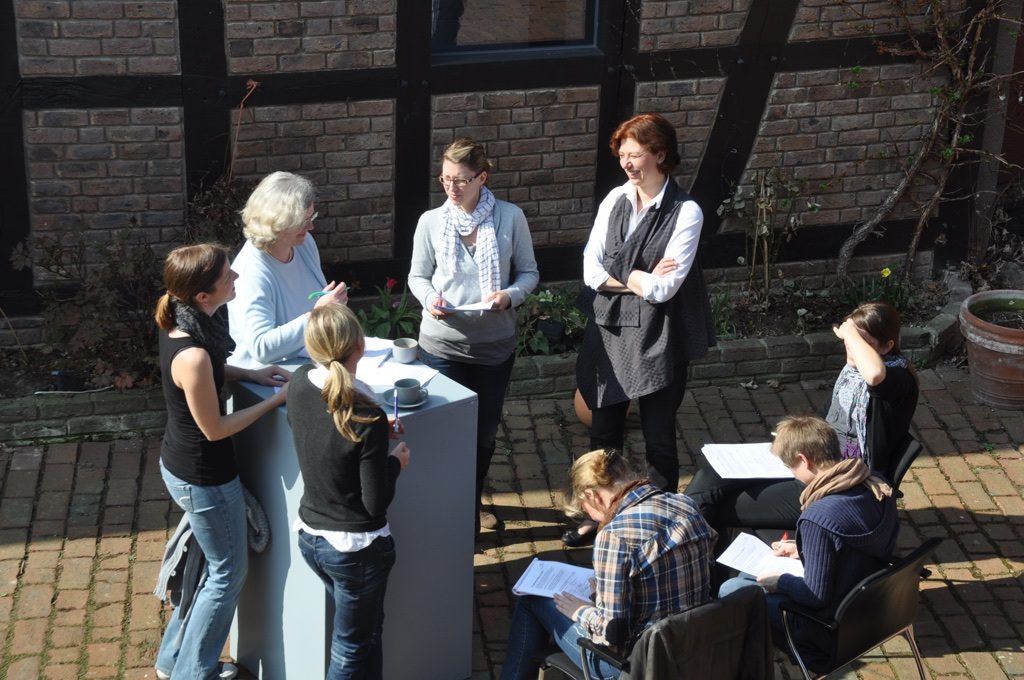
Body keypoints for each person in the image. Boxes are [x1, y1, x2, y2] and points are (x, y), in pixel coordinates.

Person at [568, 112, 716, 546]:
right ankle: (598, 517)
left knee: (659, 438)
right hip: (610, 329)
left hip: (658, 334)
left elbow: (665, 289)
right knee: (603, 434)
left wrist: (618, 272)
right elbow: (590, 272)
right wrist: (638, 276)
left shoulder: (686, 212)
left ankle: (660, 523)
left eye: (636, 155)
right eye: (622, 155)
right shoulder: (615, 198)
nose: (627, 164)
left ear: (660, 155)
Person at [153, 244, 290, 680]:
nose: (236, 279)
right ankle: (194, 673)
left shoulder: (184, 321)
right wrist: (276, 402)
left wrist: (250, 375)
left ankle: (171, 662)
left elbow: (212, 373)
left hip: (183, 466)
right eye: (228, 276)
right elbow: (214, 428)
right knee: (227, 574)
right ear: (203, 295)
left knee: (208, 569)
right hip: (203, 478)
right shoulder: (192, 353)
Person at [683, 301, 919, 538]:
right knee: (708, 478)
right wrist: (792, 437)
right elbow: (826, 418)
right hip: (811, 456)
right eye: (850, 339)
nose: (851, 346)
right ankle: (678, 537)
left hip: (837, 479)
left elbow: (876, 375)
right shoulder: (852, 375)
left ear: (888, 346)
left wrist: (850, 332)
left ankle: (690, 549)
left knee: (725, 505)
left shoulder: (898, 382)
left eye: (862, 341)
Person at [408, 137, 539, 534]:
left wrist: (510, 296)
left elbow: (529, 273)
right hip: (441, 345)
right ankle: (444, 507)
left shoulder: (510, 218)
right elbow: (417, 276)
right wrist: (430, 299)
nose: (452, 187)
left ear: (482, 177)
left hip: (493, 346)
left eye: (461, 180)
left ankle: (470, 500)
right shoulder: (431, 222)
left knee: (483, 433)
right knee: (444, 430)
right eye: (445, 178)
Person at [500, 449, 716, 680]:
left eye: (584, 508)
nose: (590, 516)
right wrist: (601, 593)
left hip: (637, 665)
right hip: (691, 647)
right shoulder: (685, 505)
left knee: (533, 601)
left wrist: (581, 611)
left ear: (592, 495)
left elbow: (612, 636)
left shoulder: (615, 537)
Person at [288, 303, 411, 680]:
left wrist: (377, 432)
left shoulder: (299, 382)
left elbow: (325, 433)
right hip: (355, 550)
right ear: (360, 346)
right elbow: (375, 503)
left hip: (311, 538)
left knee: (367, 631)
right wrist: (395, 462)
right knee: (350, 649)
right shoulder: (366, 416)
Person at [718, 415, 899, 669]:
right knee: (748, 576)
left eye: (791, 467)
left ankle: (750, 661)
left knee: (731, 588)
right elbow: (847, 543)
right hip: (871, 607)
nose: (791, 474)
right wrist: (803, 549)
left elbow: (815, 596)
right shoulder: (875, 485)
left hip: (826, 626)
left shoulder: (818, 517)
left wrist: (780, 582)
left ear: (804, 460)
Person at [228, 171, 349, 369]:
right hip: (267, 378)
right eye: (302, 221)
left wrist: (330, 306)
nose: (310, 227)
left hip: (309, 365)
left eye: (311, 217)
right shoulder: (251, 272)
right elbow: (261, 348)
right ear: (276, 222)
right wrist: (317, 315)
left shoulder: (304, 244)